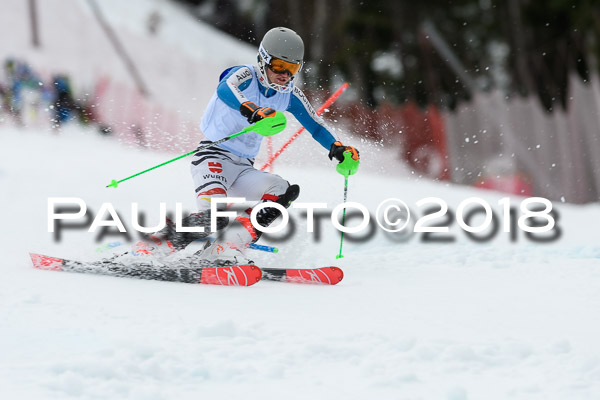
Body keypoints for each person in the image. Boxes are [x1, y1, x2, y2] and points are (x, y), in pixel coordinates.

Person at [151, 27, 360, 259]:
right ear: (263, 60)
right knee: (215, 217)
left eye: (292, 69)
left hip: (243, 168)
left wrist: (337, 147)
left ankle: (224, 249)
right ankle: (156, 245)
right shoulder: (245, 75)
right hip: (212, 157)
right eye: (279, 66)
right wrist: (252, 109)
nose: (285, 75)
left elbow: (316, 125)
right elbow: (225, 88)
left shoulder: (289, 94)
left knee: (283, 191)